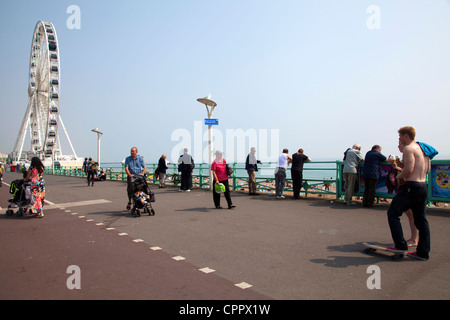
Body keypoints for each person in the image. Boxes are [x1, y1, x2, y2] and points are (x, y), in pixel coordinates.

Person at [387, 126, 430, 260]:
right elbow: (427, 169)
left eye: (400, 136)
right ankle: (423, 252)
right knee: (421, 220)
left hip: (411, 186)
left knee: (393, 213)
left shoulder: (408, 148)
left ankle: (400, 245)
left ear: (406, 136)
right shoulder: (421, 148)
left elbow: (409, 169)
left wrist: (400, 177)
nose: (399, 139)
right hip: (422, 185)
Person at [392, 142, 418, 247]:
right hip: (415, 186)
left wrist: (398, 170)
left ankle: (413, 239)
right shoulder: (412, 154)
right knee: (412, 214)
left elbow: (409, 171)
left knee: (409, 214)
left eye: (400, 145)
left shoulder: (408, 152)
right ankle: (414, 238)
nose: (398, 147)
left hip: (409, 186)